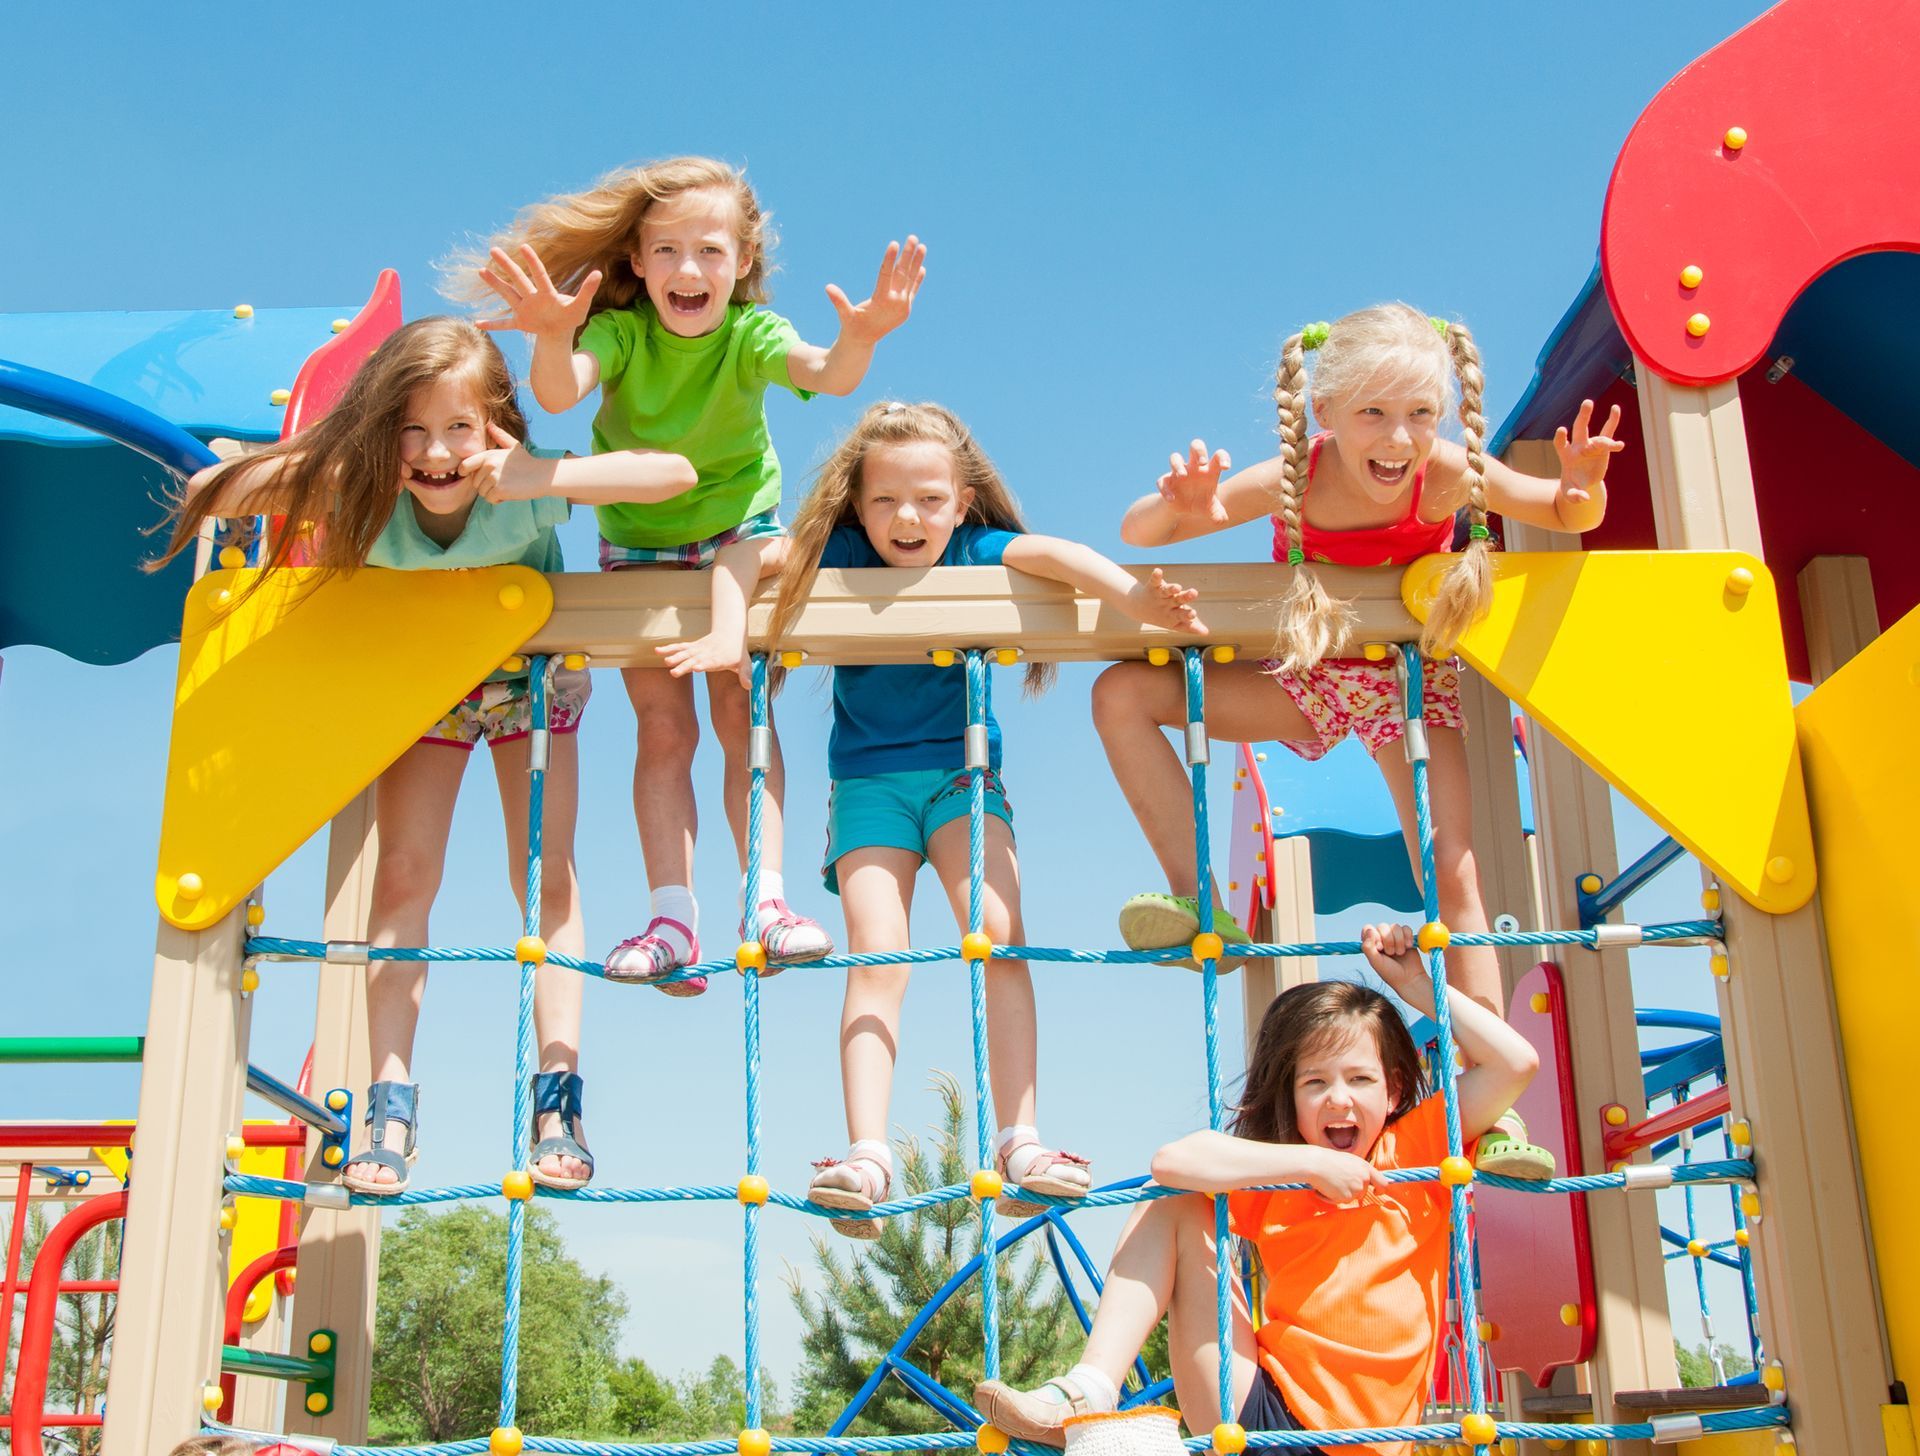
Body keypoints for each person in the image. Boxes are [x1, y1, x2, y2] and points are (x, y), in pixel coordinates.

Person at [156, 317, 701, 1195]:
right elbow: (217, 487)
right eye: (412, 429)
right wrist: (285, 464)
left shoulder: (517, 485)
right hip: (420, 691)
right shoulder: (360, 487)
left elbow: (672, 474)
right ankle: (392, 1105)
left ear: (495, 426)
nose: (438, 454)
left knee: (546, 876)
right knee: (404, 876)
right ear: (382, 430)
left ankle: (557, 1100)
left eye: (459, 428)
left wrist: (532, 468)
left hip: (529, 680)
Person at [1094, 302, 1620, 1175]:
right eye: (1374, 413)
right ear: (1327, 413)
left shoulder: (1447, 471)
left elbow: (1564, 513)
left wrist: (1582, 481)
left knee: (1456, 879)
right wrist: (1180, 505)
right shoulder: (1297, 476)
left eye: (1419, 413)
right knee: (1120, 693)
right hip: (1307, 674)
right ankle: (1200, 898)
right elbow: (1138, 532)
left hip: (1407, 691)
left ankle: (1491, 1106)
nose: (1399, 437)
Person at [461, 155, 927, 988]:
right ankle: (672, 916)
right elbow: (562, 393)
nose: (689, 269)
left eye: (710, 251)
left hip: (736, 538)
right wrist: (550, 328)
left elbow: (824, 373)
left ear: (743, 263)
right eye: (667, 251)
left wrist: (860, 336)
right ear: (637, 263)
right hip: (637, 546)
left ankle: (769, 902)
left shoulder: (751, 336)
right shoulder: (625, 332)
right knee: (662, 728)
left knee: (742, 707)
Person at [769, 401, 1205, 1235]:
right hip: (868, 783)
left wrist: (1131, 594)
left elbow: (1055, 553)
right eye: (887, 500)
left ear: (964, 502)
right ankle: (867, 1153)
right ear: (857, 507)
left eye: (930, 499)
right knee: (878, 954)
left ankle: (1019, 1142)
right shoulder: (844, 556)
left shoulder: (976, 550)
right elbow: (774, 559)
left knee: (999, 934)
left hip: (965, 780)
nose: (909, 518)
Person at [975, 924, 1540, 1456]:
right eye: (1314, 1082)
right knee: (1175, 1198)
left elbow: (1516, 1062)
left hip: (1369, 1442)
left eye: (1360, 1079)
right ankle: (1090, 1389)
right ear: (1290, 1097)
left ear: (1393, 1091)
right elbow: (1170, 1164)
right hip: (1259, 1416)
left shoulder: (1414, 1151)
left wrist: (1416, 984)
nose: (1338, 1099)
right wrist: (1313, 1163)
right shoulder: (1284, 1176)